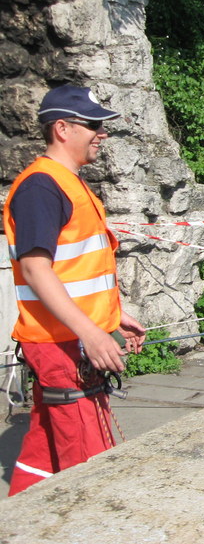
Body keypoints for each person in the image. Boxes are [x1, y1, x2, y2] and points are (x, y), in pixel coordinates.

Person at [3, 84, 146, 496]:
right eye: (93, 125)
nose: (102, 133)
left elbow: (77, 267)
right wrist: (90, 331)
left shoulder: (67, 183)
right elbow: (35, 268)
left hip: (68, 338)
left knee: (45, 453)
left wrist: (112, 317)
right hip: (62, 344)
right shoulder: (41, 187)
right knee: (91, 467)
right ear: (62, 128)